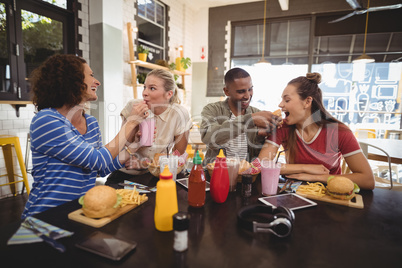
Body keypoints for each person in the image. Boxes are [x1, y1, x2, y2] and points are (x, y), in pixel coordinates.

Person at [22, 54, 148, 219]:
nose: (97, 82)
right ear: (71, 80)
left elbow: (101, 169)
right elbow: (97, 159)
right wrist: (130, 123)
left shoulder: (91, 123)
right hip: (45, 217)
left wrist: (134, 145)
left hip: (80, 212)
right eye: (91, 75)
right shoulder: (46, 120)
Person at [258, 72, 375, 190]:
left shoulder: (340, 132)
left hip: (329, 195)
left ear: (307, 101)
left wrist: (317, 177)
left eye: (287, 100)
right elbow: (260, 164)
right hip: (293, 192)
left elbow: (367, 180)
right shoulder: (282, 127)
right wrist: (305, 168)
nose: (280, 104)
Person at [105, 69, 191, 185]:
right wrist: (134, 122)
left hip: (156, 173)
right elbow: (124, 144)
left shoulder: (179, 114)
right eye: (144, 87)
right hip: (126, 172)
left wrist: (144, 164)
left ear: (169, 94)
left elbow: (177, 156)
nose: (144, 93)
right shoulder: (133, 106)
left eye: (152, 88)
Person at [200, 67, 281, 164]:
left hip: (246, 176)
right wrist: (250, 120)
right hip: (216, 173)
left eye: (250, 89)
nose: (247, 96)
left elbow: (261, 157)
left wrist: (261, 136)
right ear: (227, 91)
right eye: (241, 91)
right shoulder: (212, 110)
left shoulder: (256, 114)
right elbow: (208, 137)